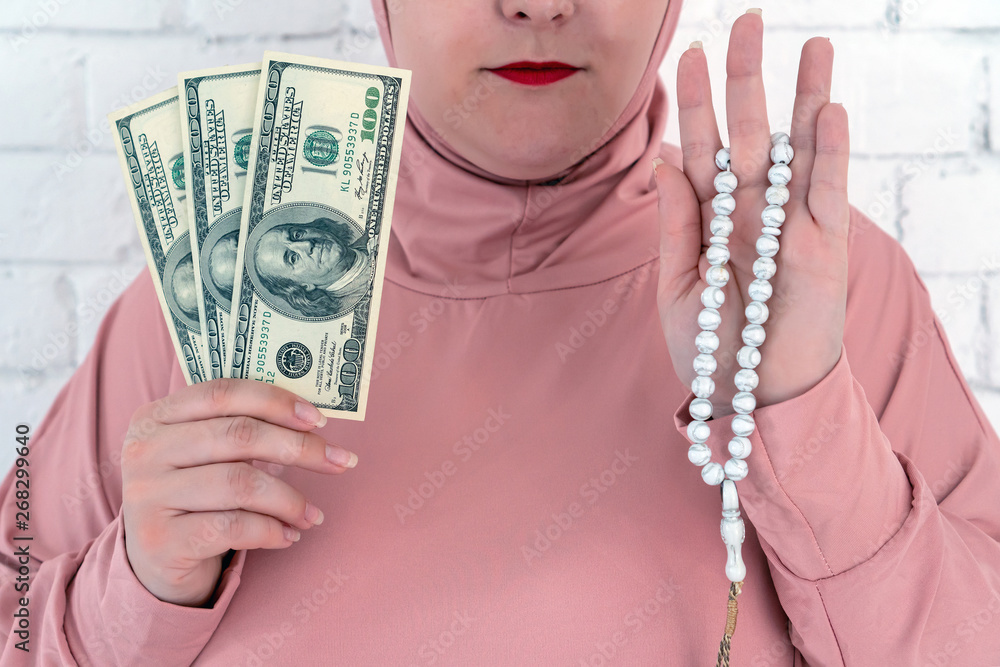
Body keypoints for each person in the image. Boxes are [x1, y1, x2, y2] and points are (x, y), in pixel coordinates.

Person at [2, 2, 999, 665]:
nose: (533, 0)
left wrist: (804, 419)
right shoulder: (213, 295)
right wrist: (131, 586)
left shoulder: (814, 283)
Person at [252, 217, 371, 318]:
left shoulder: (373, 232)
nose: (307, 244)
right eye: (293, 258)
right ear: (303, 286)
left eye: (297, 235)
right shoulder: (359, 312)